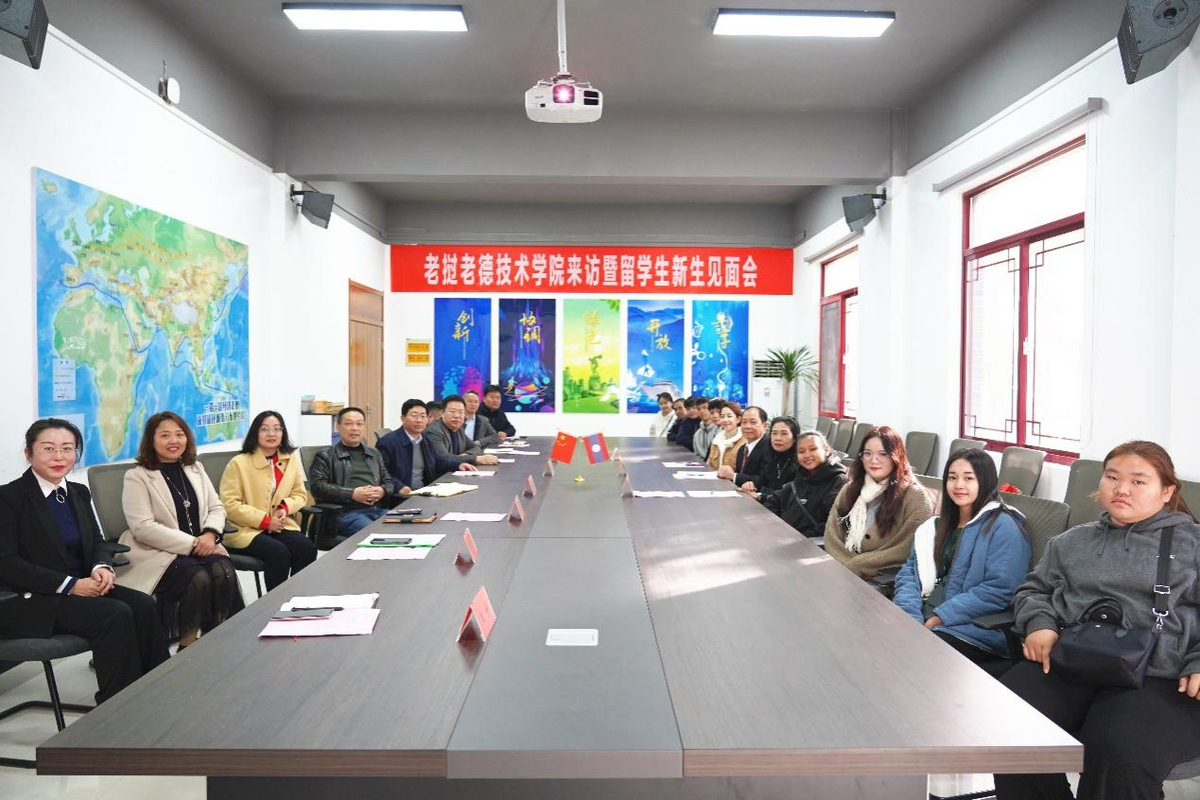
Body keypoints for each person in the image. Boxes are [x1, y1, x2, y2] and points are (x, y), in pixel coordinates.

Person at [994, 441, 1200, 800]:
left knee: (1118, 750)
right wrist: (1040, 622)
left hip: (1160, 676)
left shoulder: (1192, 545)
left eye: (1138, 481)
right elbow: (1034, 590)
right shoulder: (1070, 543)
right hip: (1075, 659)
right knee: (1006, 718)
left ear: (1167, 491)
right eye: (1112, 477)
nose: (1122, 489)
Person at [0, 419, 167, 703]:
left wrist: (101, 567)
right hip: (29, 599)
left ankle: (158, 692)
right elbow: (7, 564)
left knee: (143, 605)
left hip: (79, 589)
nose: (59, 456)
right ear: (28, 453)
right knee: (114, 613)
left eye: (67, 449)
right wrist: (71, 585)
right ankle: (118, 706)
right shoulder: (8, 498)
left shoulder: (77, 492)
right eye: (48, 449)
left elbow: (97, 541)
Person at [892, 448, 1030, 665]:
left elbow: (1000, 589)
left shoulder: (1004, 527)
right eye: (952, 477)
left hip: (972, 628)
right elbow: (910, 573)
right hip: (925, 615)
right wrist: (909, 616)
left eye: (968, 478)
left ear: (985, 481)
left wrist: (940, 618)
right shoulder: (935, 526)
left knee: (912, 657)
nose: (959, 485)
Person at [120, 411, 243, 648]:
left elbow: (217, 507)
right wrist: (194, 544)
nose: (173, 441)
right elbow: (142, 527)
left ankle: (216, 639)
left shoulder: (195, 468)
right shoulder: (137, 476)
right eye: (165, 435)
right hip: (158, 551)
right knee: (198, 578)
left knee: (224, 570)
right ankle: (188, 647)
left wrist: (210, 534)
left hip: (203, 545)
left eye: (179, 434)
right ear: (151, 440)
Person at [219, 411, 317, 592]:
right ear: (255, 433)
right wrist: (265, 521)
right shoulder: (238, 463)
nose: (271, 434)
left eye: (277, 429)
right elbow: (229, 505)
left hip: (279, 525)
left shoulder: (290, 459)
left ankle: (295, 596)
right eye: (265, 429)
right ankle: (274, 603)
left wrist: (284, 508)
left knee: (307, 548)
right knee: (278, 552)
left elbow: (300, 495)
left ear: (283, 433)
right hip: (245, 529)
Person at [823, 426, 934, 579]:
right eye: (867, 453)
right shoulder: (850, 489)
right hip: (841, 571)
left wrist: (858, 565)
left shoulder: (916, 497)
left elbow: (908, 547)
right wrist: (847, 567)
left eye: (883, 454)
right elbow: (832, 535)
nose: (873, 460)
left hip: (882, 580)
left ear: (897, 456)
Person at [309, 407, 397, 537]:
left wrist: (382, 490)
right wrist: (352, 494)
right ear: (338, 427)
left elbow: (388, 481)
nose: (355, 428)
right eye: (349, 424)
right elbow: (317, 487)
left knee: (404, 528)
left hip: (377, 509)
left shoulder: (374, 454)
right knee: (378, 535)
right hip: (345, 513)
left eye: (359, 424)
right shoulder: (325, 456)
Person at [376, 398, 469, 498]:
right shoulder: (387, 442)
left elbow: (438, 460)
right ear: (402, 418)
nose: (419, 420)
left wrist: (458, 465)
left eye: (423, 416)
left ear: (428, 419)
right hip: (399, 496)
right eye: (414, 416)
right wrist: (399, 487)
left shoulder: (425, 440)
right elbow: (381, 473)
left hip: (423, 492)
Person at [766, 429, 848, 537]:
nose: (807, 455)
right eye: (801, 451)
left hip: (807, 543)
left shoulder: (838, 481)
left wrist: (798, 537)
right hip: (781, 537)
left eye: (813, 449)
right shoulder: (801, 477)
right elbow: (775, 500)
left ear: (826, 450)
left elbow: (832, 524)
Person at [426, 395, 501, 467]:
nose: (457, 416)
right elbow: (444, 458)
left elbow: (476, 448)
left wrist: (465, 456)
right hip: (441, 474)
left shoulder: (459, 429)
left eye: (461, 412)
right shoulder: (434, 431)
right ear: (442, 413)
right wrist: (476, 459)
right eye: (452, 411)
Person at [741, 416, 802, 505]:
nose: (777, 438)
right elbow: (761, 483)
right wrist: (750, 485)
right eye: (774, 433)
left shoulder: (800, 463)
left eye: (784, 433)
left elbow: (789, 497)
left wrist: (760, 496)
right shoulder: (771, 457)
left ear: (794, 438)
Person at [717, 406, 770, 488]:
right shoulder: (742, 449)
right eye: (744, 422)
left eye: (753, 422)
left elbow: (764, 480)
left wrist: (733, 476)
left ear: (765, 426)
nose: (747, 426)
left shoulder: (769, 447)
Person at [706, 402, 745, 470]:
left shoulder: (744, 441)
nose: (725, 420)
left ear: (738, 419)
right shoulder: (716, 440)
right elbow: (709, 464)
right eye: (722, 416)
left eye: (729, 416)